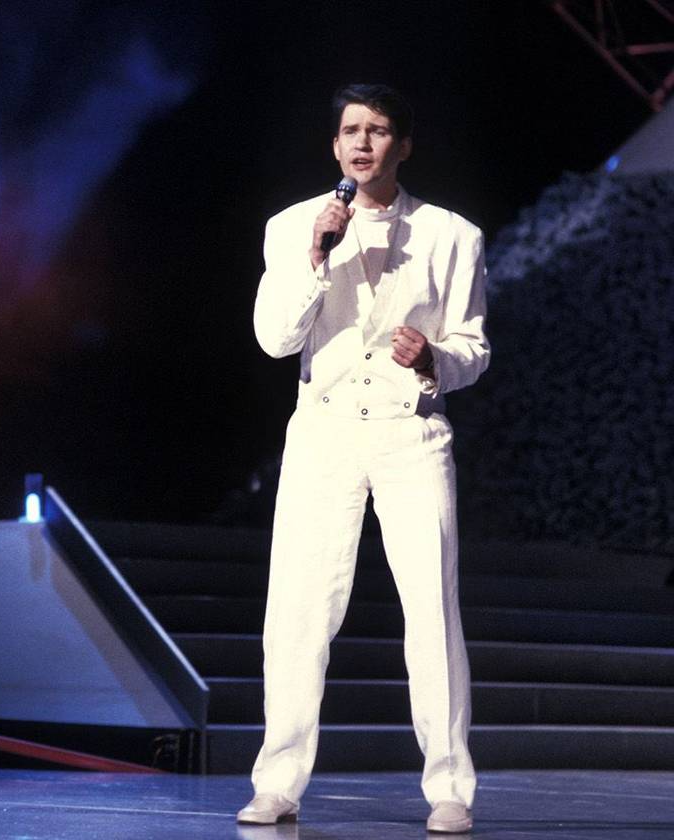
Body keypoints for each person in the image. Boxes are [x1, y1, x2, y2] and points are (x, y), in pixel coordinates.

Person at [237, 84, 489, 835]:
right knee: (298, 612)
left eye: (378, 131)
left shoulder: (452, 235)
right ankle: (277, 783)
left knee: (432, 613)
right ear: (335, 144)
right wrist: (316, 257)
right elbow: (275, 339)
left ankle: (449, 789)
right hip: (325, 430)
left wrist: (436, 358)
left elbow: (475, 346)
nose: (362, 143)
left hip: (412, 435)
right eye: (351, 130)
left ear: (402, 146)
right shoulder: (293, 227)